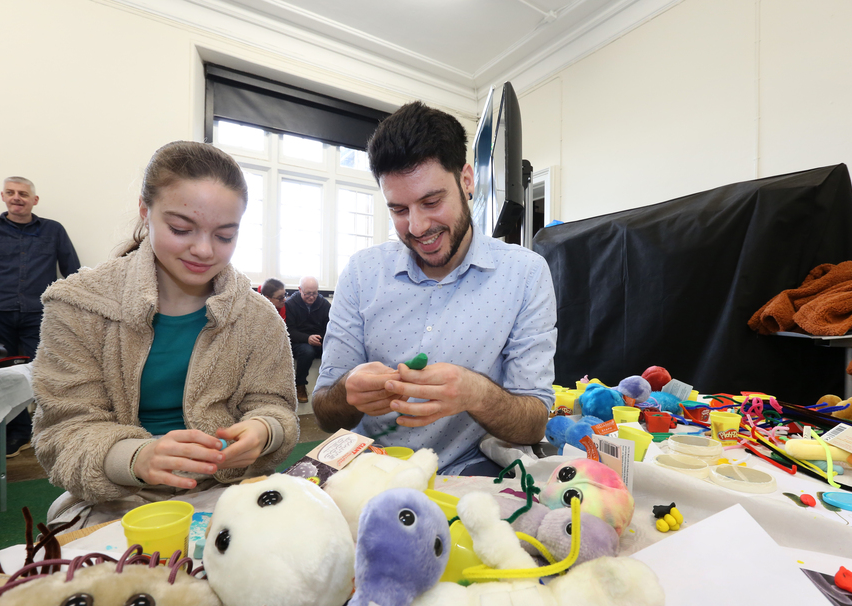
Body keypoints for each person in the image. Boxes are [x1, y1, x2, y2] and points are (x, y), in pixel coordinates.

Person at [31, 141, 299, 525]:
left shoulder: (257, 317)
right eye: (180, 228)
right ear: (145, 211)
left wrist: (264, 430)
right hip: (119, 497)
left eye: (225, 236)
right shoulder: (80, 305)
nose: (204, 250)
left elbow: (275, 407)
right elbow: (62, 435)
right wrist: (137, 458)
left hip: (228, 492)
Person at [312, 102, 557, 476]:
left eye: (431, 201)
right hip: (370, 472)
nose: (416, 226)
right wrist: (348, 390)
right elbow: (325, 413)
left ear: (467, 180)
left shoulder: (525, 274)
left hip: (470, 470)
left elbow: (533, 423)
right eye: (398, 209)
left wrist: (476, 393)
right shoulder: (362, 273)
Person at [0, 177, 81, 456]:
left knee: (41, 373)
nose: (17, 197)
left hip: (39, 315)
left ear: (35, 200)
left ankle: (38, 430)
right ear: (3, 196)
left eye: (23, 193)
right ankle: (7, 431)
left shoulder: (53, 231)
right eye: (11, 193)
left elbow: (73, 274)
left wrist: (66, 309)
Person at [285, 275, 330, 404]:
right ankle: (300, 385)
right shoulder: (290, 304)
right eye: (308, 293)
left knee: (335, 348)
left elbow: (330, 326)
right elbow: (289, 330)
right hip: (298, 342)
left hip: (318, 340)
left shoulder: (324, 304)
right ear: (300, 290)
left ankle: (330, 384)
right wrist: (307, 338)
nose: (311, 297)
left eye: (314, 293)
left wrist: (320, 337)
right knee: (307, 351)